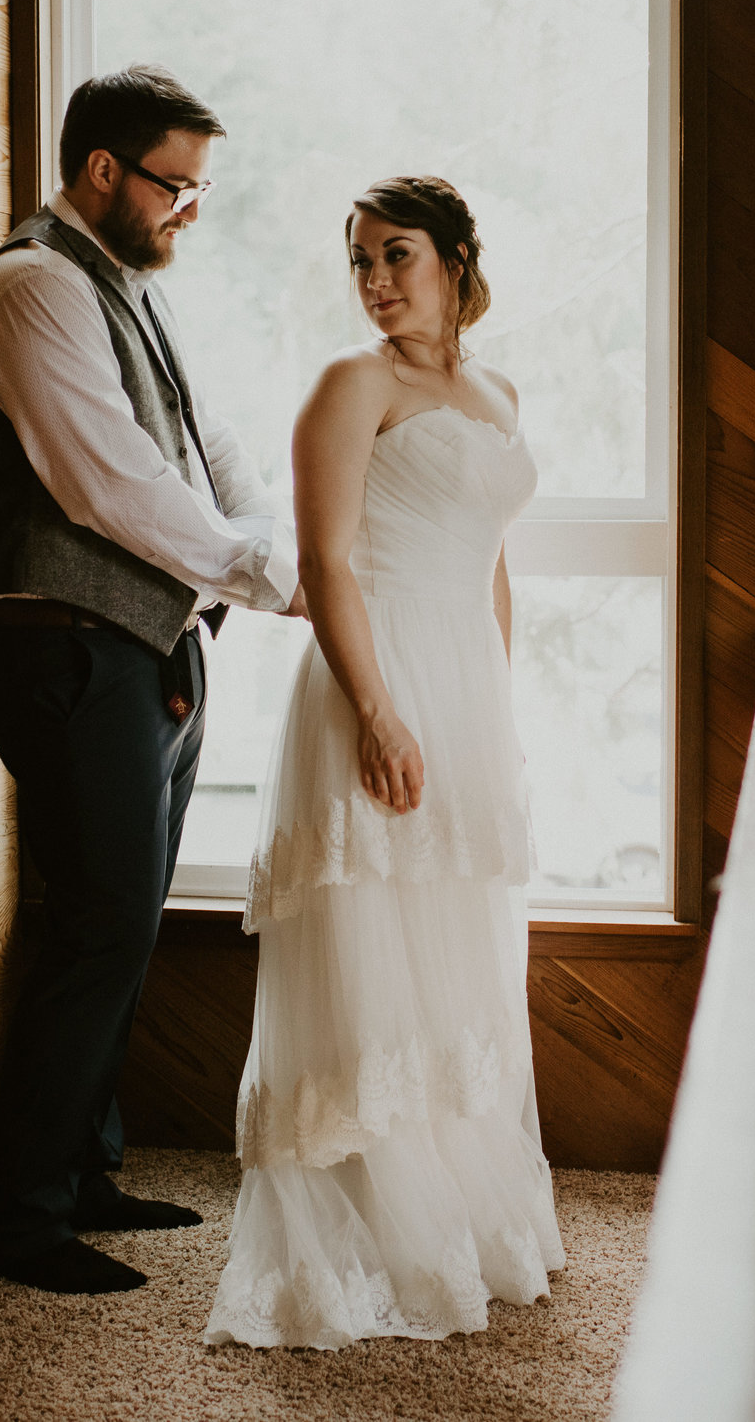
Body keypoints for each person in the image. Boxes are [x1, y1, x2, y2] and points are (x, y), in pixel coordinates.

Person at [0, 65, 302, 1296]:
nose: (188, 211)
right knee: (98, 923)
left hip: (147, 645)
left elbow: (206, 450)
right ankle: (21, 1218)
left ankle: (83, 1171)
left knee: (125, 917)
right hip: (64, 644)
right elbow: (110, 485)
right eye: (176, 185)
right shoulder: (31, 288)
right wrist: (268, 577)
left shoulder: (124, 290)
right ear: (103, 169)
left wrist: (284, 548)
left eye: (199, 189)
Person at [205, 176, 564, 1348]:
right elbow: (328, 563)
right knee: (371, 956)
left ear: (456, 257)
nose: (372, 281)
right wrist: (377, 709)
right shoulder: (348, 385)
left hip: (460, 679)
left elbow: (491, 561)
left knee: (455, 953)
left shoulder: (495, 391)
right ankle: (357, 1232)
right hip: (376, 672)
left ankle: (455, 1205)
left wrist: (491, 709)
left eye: (394, 255)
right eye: (358, 259)